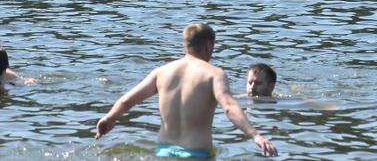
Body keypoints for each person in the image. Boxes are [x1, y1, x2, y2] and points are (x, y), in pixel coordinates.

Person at [95, 23, 277, 158]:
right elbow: (229, 106)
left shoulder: (162, 72)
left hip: (163, 152)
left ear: (185, 45)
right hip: (196, 154)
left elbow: (127, 101)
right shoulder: (214, 74)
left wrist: (109, 118)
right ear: (208, 46)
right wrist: (255, 135)